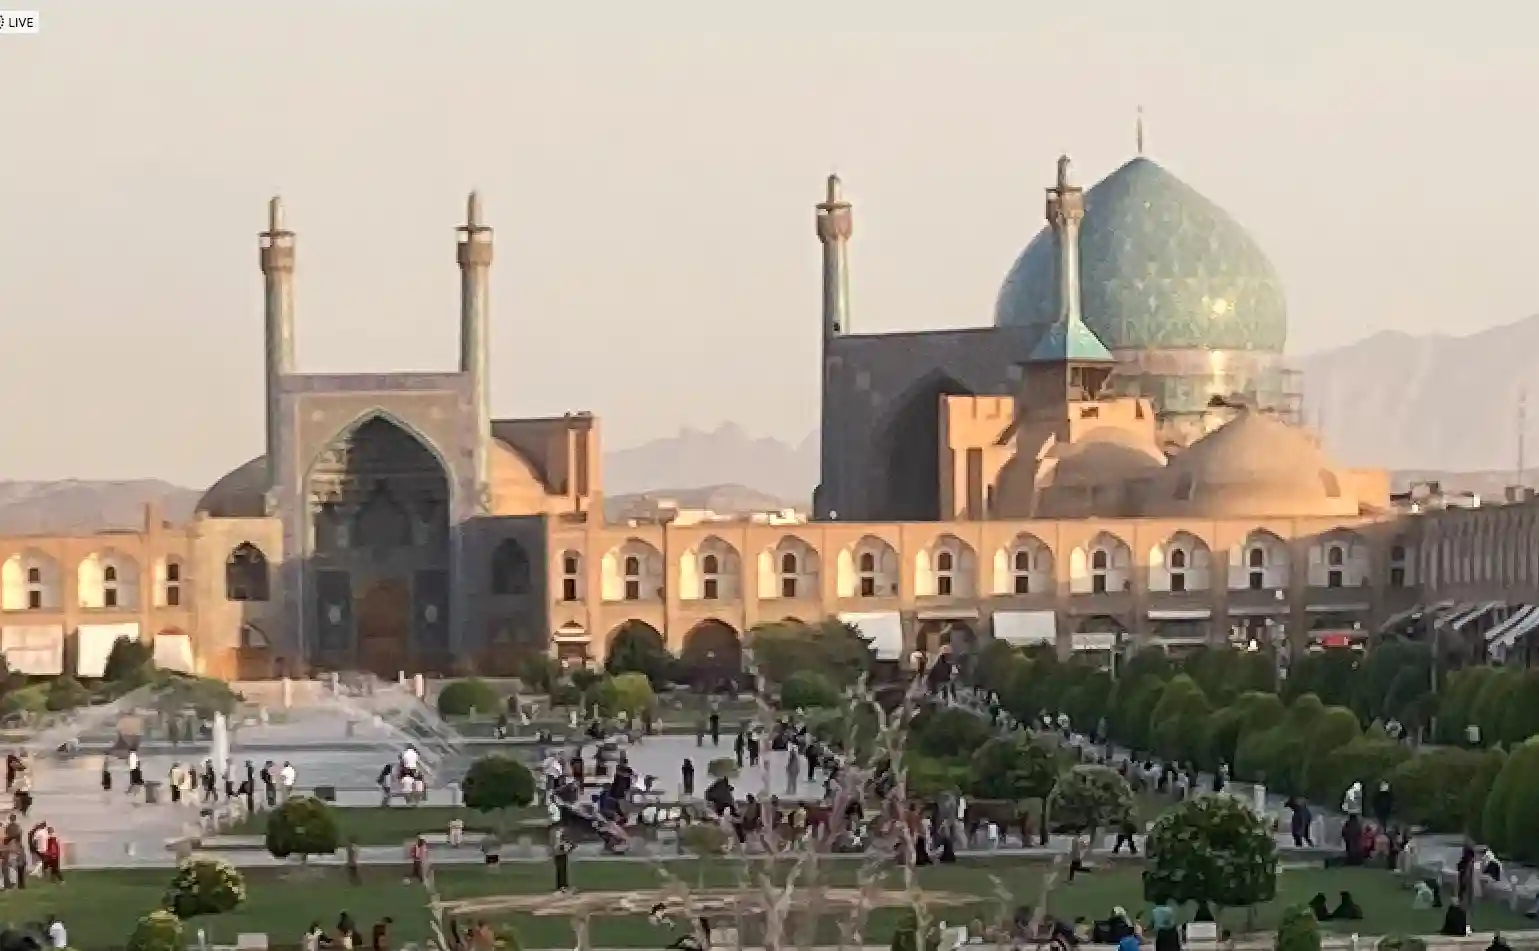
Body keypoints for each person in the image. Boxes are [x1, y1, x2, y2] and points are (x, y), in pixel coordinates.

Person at [552, 829, 573, 893]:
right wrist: (568, 847)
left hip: (560, 854)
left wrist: (569, 847)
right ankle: (562, 885)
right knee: (561, 869)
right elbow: (560, 846)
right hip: (559, 854)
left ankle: (561, 885)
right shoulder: (559, 838)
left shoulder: (561, 838)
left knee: (561, 869)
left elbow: (567, 845)